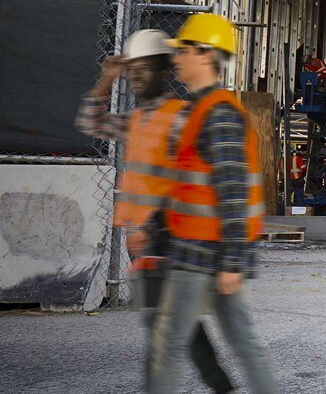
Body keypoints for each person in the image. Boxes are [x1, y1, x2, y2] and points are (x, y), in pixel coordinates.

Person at [75, 30, 236, 393]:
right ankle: (222, 386)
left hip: (173, 239)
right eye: (131, 69)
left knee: (160, 328)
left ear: (163, 71)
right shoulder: (136, 120)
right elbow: (91, 123)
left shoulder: (181, 119)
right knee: (180, 325)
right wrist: (107, 78)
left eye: (142, 68)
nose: (135, 75)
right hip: (145, 242)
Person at [147, 13, 280, 393]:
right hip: (202, 250)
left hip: (204, 253)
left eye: (184, 50)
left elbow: (233, 192)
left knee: (169, 344)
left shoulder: (219, 115)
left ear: (206, 55)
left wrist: (233, 262)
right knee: (242, 342)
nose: (177, 58)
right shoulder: (199, 110)